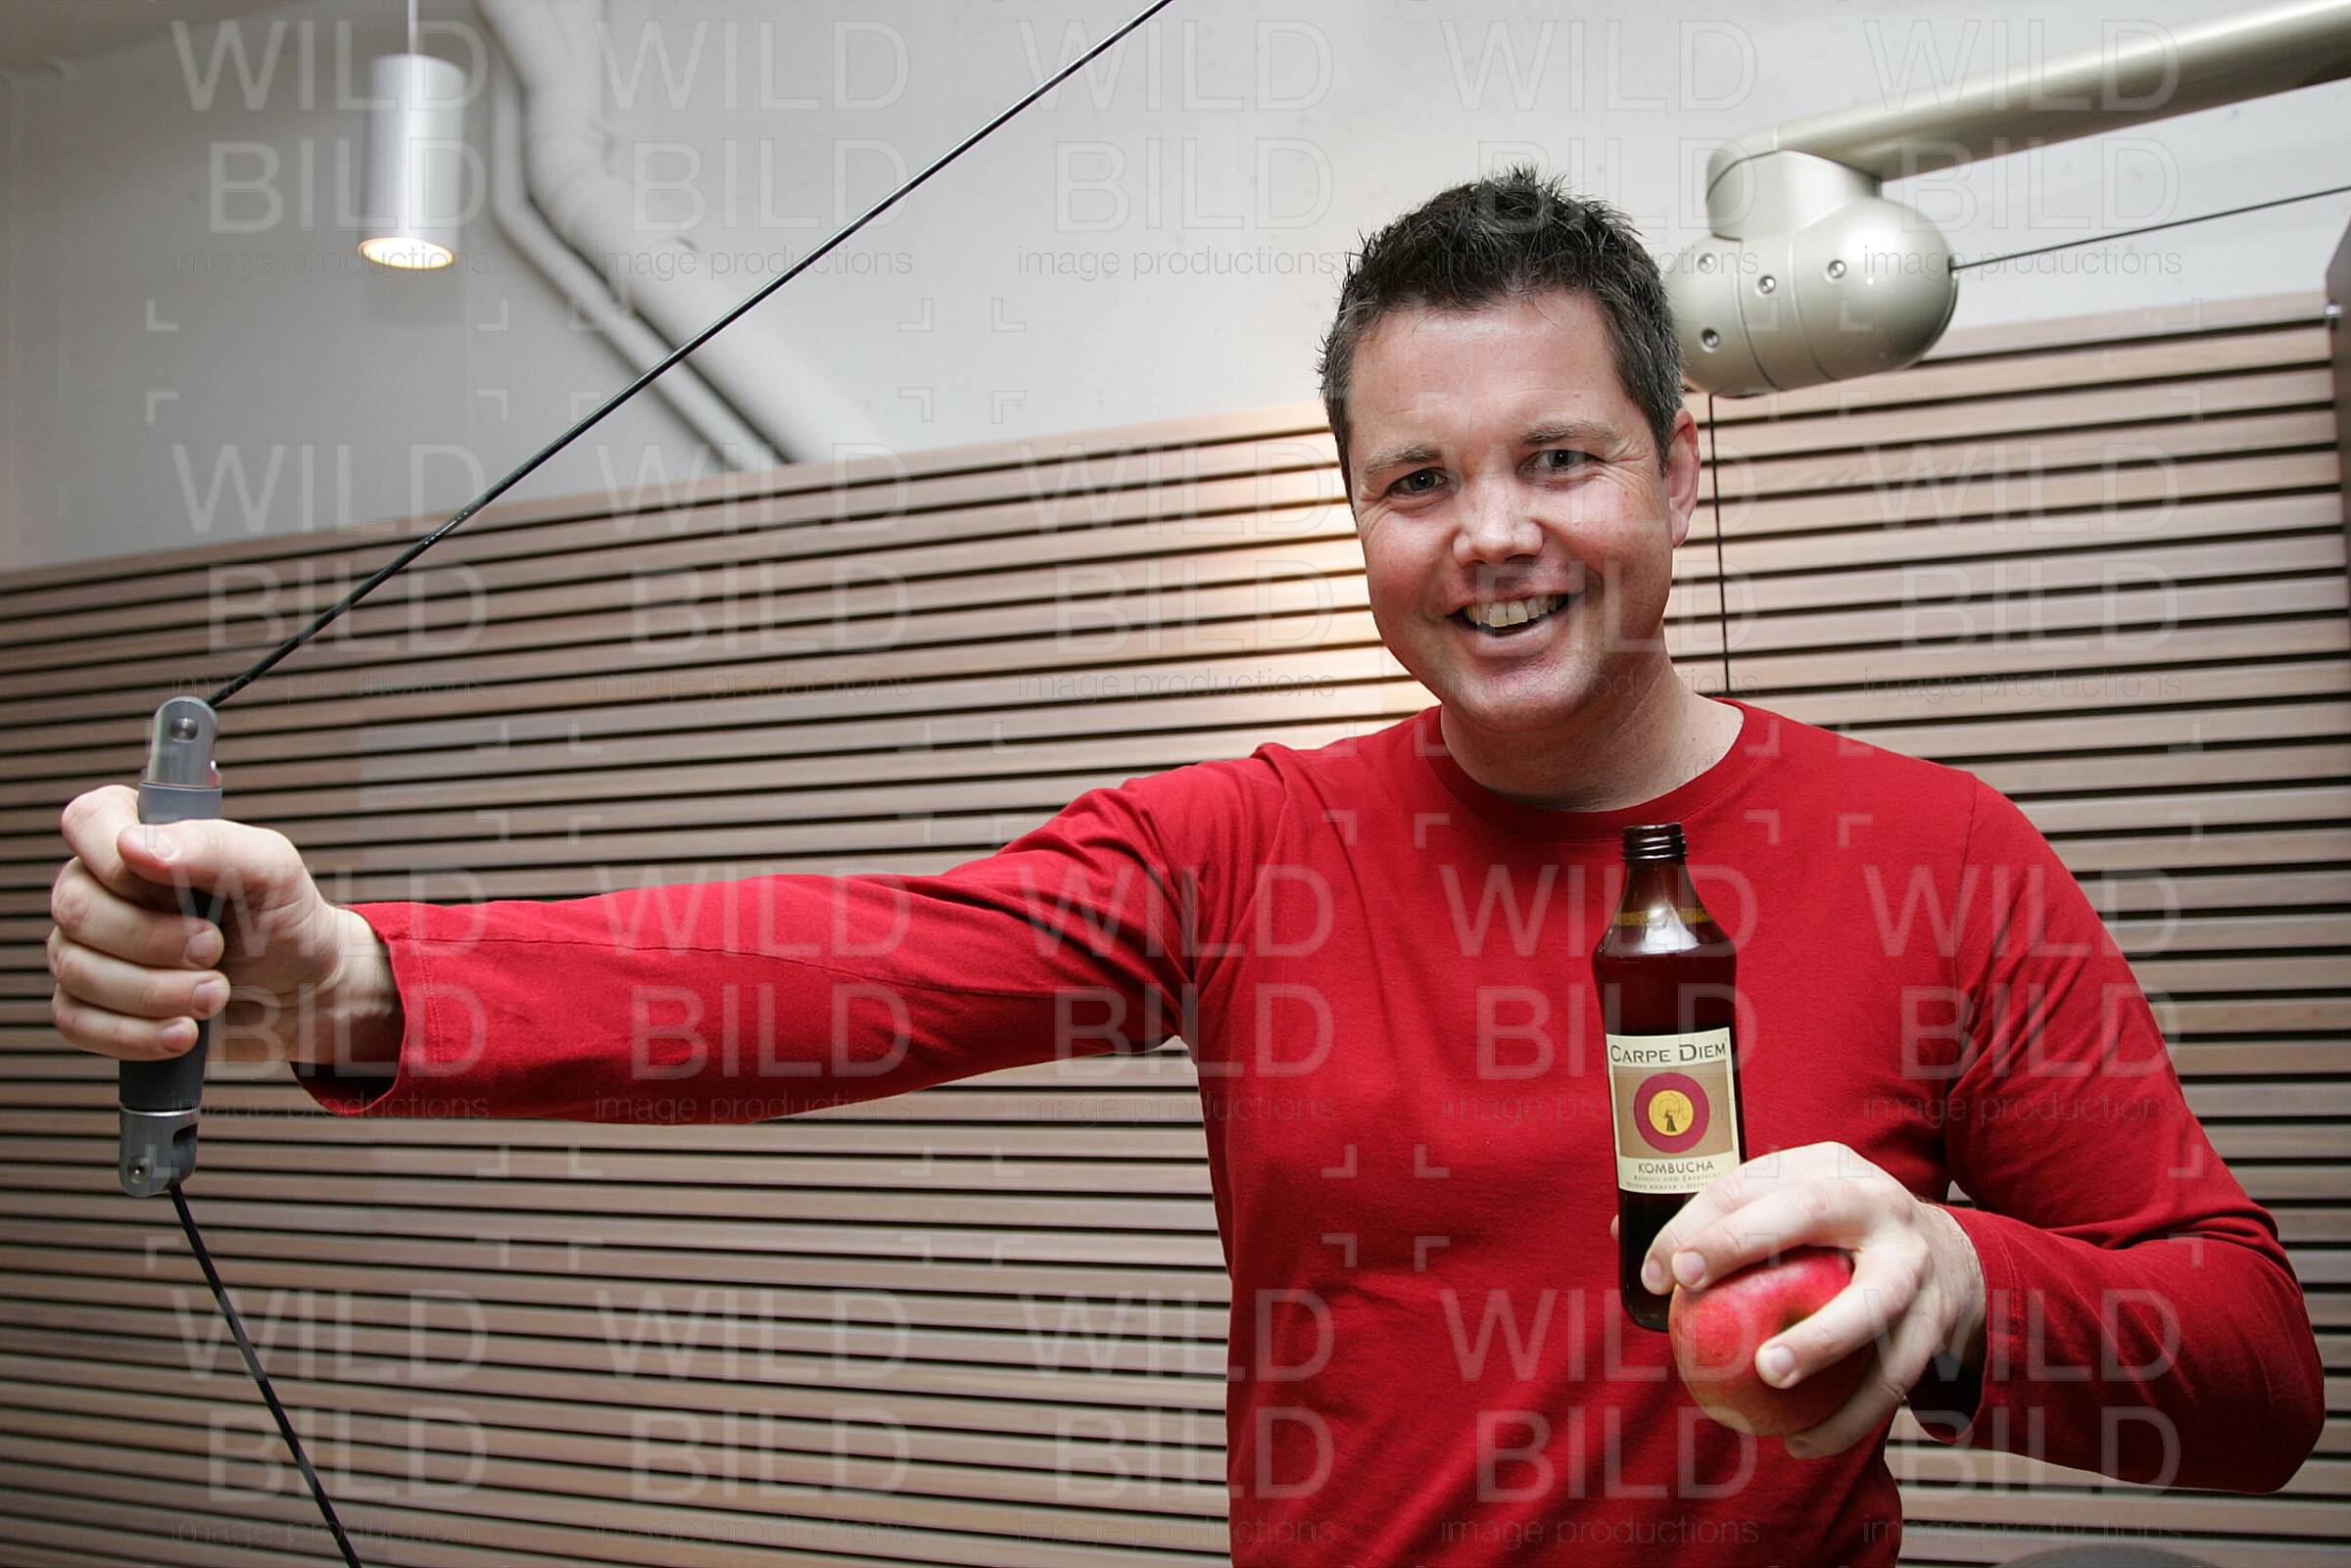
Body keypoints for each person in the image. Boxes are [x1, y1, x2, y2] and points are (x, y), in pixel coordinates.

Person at [47, 168, 2325, 1565]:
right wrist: (355, 976)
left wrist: (1962, 1295)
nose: (1494, 535)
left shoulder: (1939, 856)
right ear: (1357, 516)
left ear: (1679, 473)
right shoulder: (1249, 847)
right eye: (1417, 480)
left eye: (1560, 457)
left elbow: (2251, 1376)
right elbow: (849, 969)